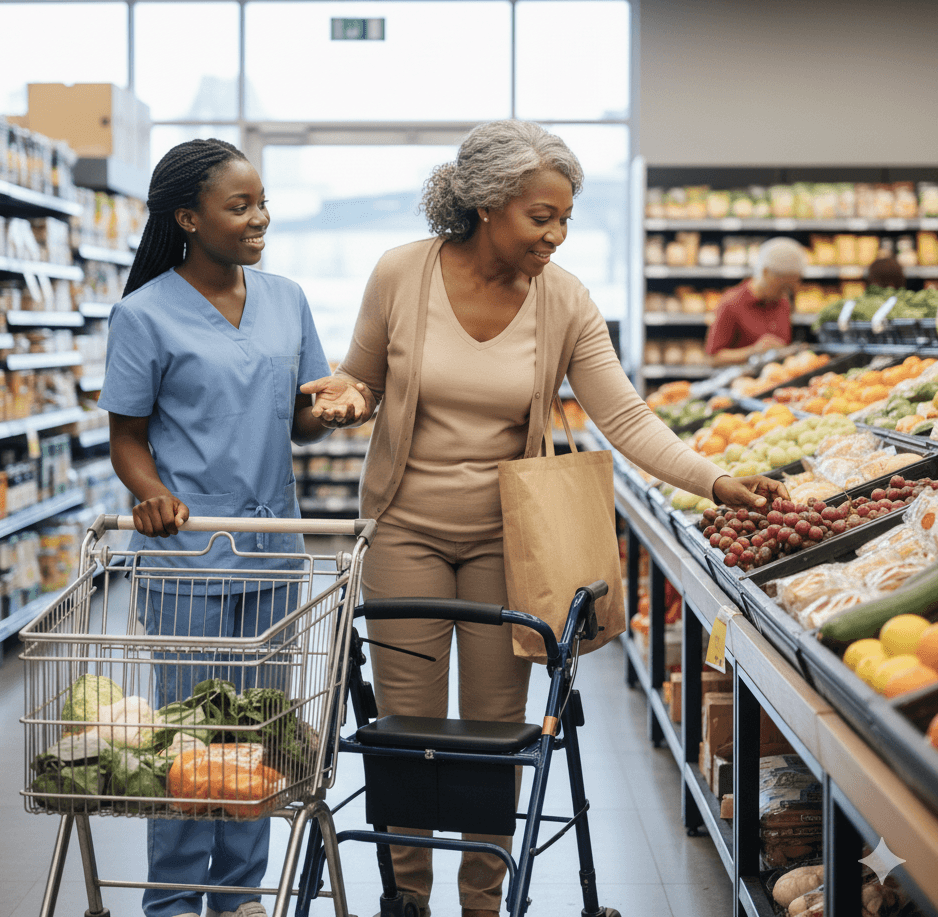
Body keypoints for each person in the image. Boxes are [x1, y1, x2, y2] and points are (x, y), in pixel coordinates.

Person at [301, 120, 785, 917]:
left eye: (565, 218)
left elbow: (623, 416)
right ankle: (406, 895)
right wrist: (349, 403)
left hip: (509, 540)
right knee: (406, 728)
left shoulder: (564, 300)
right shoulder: (400, 274)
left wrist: (715, 479)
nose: (557, 235)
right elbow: (359, 378)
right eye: (541, 217)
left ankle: (483, 899)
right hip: (403, 530)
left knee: (496, 728)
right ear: (486, 204)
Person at [99, 138, 365, 917]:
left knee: (259, 736)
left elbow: (301, 419)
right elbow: (126, 439)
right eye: (239, 206)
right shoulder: (144, 314)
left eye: (262, 203)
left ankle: (240, 895)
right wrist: (152, 496)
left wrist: (335, 411)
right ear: (189, 218)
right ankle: (176, 900)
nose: (260, 219)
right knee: (191, 742)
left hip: (275, 553)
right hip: (188, 557)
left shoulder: (286, 299)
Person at [705, 236, 807, 366]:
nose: (785, 293)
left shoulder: (783, 302)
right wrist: (753, 351)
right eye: (782, 287)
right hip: (741, 377)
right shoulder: (731, 303)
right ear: (765, 273)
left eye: (789, 288)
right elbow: (713, 358)